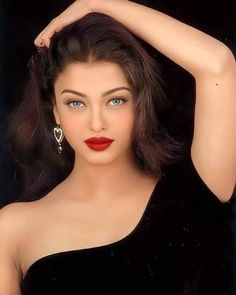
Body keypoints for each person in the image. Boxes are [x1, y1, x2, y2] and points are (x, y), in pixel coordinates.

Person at [1, 0, 236, 294]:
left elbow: (217, 65)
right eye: (76, 103)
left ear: (139, 106)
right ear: (56, 113)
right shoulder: (13, 229)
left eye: (115, 100)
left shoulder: (194, 189)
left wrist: (95, 2)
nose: (96, 123)